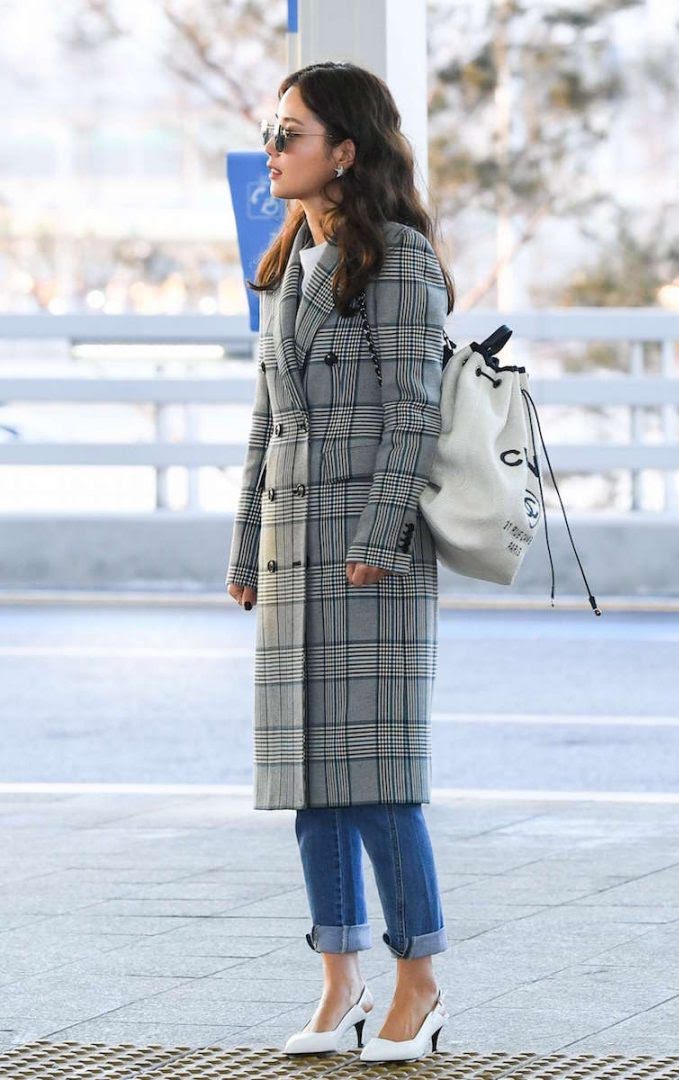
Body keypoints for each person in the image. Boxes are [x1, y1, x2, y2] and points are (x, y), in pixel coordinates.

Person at [225, 60, 454, 1063]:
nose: (273, 151)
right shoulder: (291, 259)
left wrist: (378, 537)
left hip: (369, 557)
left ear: (346, 152)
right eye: (271, 132)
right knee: (308, 780)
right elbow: (267, 421)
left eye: (292, 135)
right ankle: (339, 979)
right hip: (293, 554)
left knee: (377, 779)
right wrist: (246, 545)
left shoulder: (400, 261)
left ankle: (420, 982)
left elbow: (414, 412)